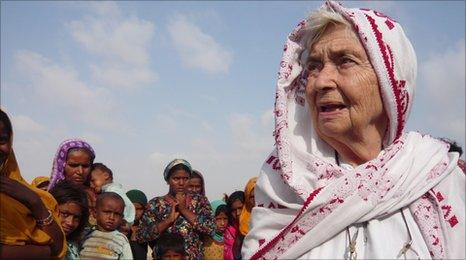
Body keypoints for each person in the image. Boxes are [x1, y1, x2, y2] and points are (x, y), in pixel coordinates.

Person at [242, 1, 465, 259]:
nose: (321, 82)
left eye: (345, 61)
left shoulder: (440, 177)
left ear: (390, 79)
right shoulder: (283, 184)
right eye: (314, 66)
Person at [0, 109, 66, 259]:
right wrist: (43, 252)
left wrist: (35, 202)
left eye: (2, 140)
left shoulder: (29, 194)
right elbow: (52, 250)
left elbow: (59, 247)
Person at [136, 159, 215, 260]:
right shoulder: (155, 204)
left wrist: (183, 209)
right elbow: (141, 236)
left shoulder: (200, 201)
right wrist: (168, 221)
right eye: (176, 178)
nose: (181, 183)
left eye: (185, 178)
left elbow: (211, 229)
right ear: (168, 180)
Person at [80, 192, 133, 259]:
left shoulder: (121, 240)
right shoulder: (85, 235)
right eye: (107, 212)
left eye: (117, 214)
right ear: (95, 213)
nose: (111, 217)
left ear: (121, 218)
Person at [49, 180, 89, 260]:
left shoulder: (73, 244)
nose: (70, 223)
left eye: (76, 217)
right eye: (65, 214)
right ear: (50, 209)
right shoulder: (39, 244)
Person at [126, 189, 149, 260]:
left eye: (139, 209)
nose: (135, 212)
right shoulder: (118, 228)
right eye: (131, 208)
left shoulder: (147, 229)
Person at [224, 191, 244, 260]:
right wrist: (240, 233)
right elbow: (233, 255)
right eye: (233, 210)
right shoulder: (228, 230)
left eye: (240, 208)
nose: (237, 213)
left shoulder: (257, 223)